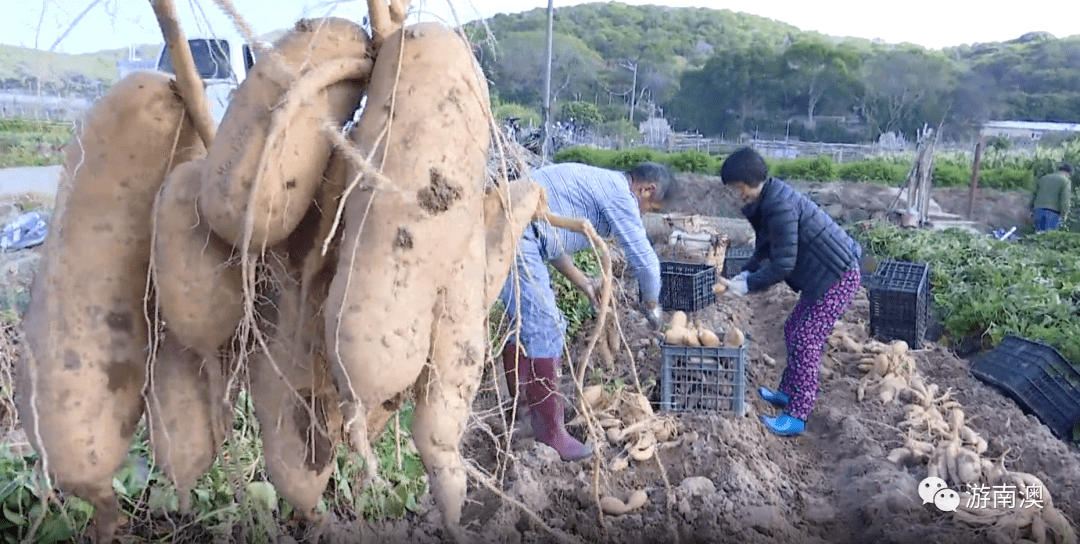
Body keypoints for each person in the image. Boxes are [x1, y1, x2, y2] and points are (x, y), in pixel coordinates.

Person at [499, 161, 676, 461]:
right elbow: (646, 262)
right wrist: (652, 305)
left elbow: (549, 241)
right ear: (647, 190)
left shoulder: (598, 183)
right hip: (513, 232)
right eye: (651, 208)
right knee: (546, 326)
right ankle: (549, 432)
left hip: (515, 228)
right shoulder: (621, 194)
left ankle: (524, 408)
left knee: (532, 324)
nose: (645, 214)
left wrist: (583, 282)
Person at [720, 147, 862, 437]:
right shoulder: (768, 199)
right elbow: (765, 247)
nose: (736, 194)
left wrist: (749, 284)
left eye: (736, 188)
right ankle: (788, 392)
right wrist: (745, 272)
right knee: (793, 329)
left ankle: (798, 413)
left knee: (807, 339)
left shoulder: (778, 205)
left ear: (747, 182)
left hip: (837, 277)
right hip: (820, 277)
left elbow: (784, 263)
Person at [1030, 163, 1072, 232]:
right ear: (1068, 173)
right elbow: (1065, 200)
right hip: (1053, 213)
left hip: (1038, 211)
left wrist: (1031, 209)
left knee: (1038, 237)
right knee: (1049, 239)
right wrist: (1064, 214)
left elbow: (1034, 195)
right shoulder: (1065, 181)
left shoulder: (1043, 178)